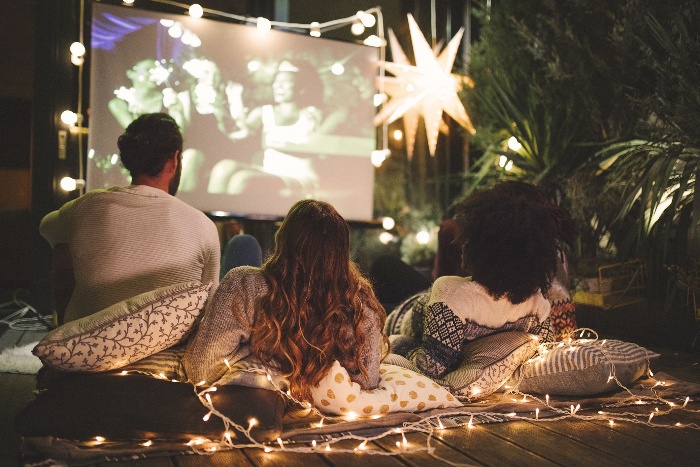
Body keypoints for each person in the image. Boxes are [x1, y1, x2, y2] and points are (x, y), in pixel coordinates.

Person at [183, 199, 388, 403]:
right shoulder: (359, 299)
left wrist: (258, 355)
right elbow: (367, 382)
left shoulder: (245, 285)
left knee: (243, 244)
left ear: (282, 240)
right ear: (342, 253)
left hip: (253, 399)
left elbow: (201, 369)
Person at [40, 113, 220, 324]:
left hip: (89, 346)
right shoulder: (203, 225)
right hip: (170, 349)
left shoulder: (86, 207)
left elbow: (46, 227)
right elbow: (211, 308)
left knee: (64, 246)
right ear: (174, 160)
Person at [389, 181, 560, 379]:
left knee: (386, 266)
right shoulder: (536, 303)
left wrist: (395, 344)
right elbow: (549, 353)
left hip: (398, 317)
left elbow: (432, 368)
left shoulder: (452, 295)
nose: (460, 242)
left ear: (481, 246)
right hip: (424, 300)